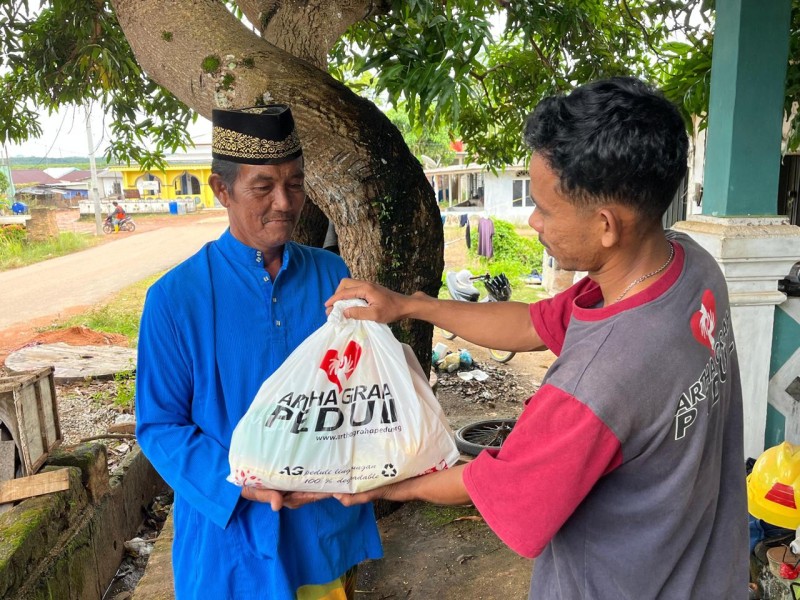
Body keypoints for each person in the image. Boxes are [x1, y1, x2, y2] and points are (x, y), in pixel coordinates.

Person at [327, 77, 749, 598]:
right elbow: (532, 323)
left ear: (606, 226)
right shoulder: (690, 267)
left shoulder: (594, 386)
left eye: (545, 208)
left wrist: (390, 484)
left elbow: (496, 485)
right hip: (709, 574)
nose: (531, 220)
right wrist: (410, 304)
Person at [135, 104, 382, 599]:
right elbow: (160, 426)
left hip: (319, 532)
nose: (285, 203)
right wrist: (238, 485)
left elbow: (360, 394)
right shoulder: (175, 299)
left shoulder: (330, 277)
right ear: (221, 190)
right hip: (229, 543)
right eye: (264, 187)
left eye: (295, 183)